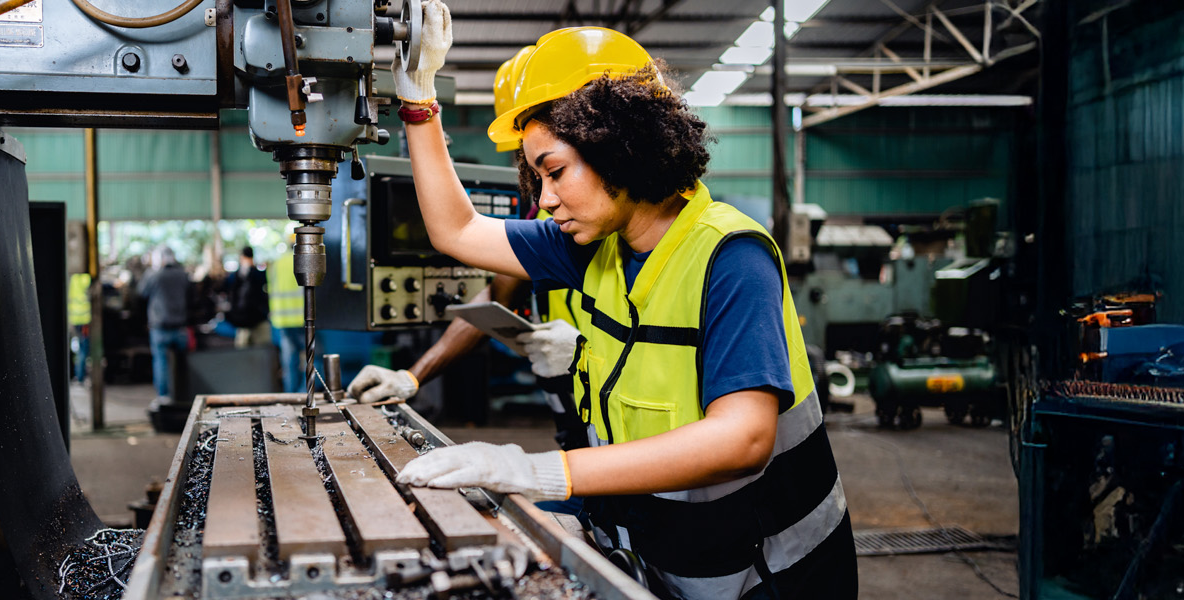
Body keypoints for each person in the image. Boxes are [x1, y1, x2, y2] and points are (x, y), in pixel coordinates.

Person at [388, 11, 857, 599]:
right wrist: (418, 99)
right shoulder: (591, 244)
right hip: (667, 558)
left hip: (773, 575)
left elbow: (743, 438)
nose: (547, 201)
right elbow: (456, 230)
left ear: (618, 146)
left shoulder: (731, 256)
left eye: (554, 172)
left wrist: (537, 470)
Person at [348, 44, 589, 451]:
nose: (545, 198)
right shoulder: (558, 234)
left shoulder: (717, 256)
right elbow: (485, 288)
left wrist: (587, 354)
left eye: (556, 171)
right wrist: (412, 377)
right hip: (574, 413)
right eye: (535, 175)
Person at [135, 246, 191, 406]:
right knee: (182, 362)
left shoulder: (155, 276)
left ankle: (164, 397)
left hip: (160, 326)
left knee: (161, 362)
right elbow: (192, 296)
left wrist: (150, 271)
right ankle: (183, 394)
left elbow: (141, 293)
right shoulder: (183, 275)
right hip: (180, 325)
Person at [268, 240, 308, 392]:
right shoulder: (305, 261)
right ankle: (304, 392)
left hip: (282, 320)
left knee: (289, 360)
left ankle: (291, 394)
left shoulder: (277, 263)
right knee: (311, 358)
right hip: (301, 319)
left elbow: (270, 287)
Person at [223, 246, 271, 348]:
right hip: (257, 318)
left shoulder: (236, 275)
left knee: (243, 350)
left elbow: (226, 287)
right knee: (262, 351)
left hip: (244, 319)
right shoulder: (257, 274)